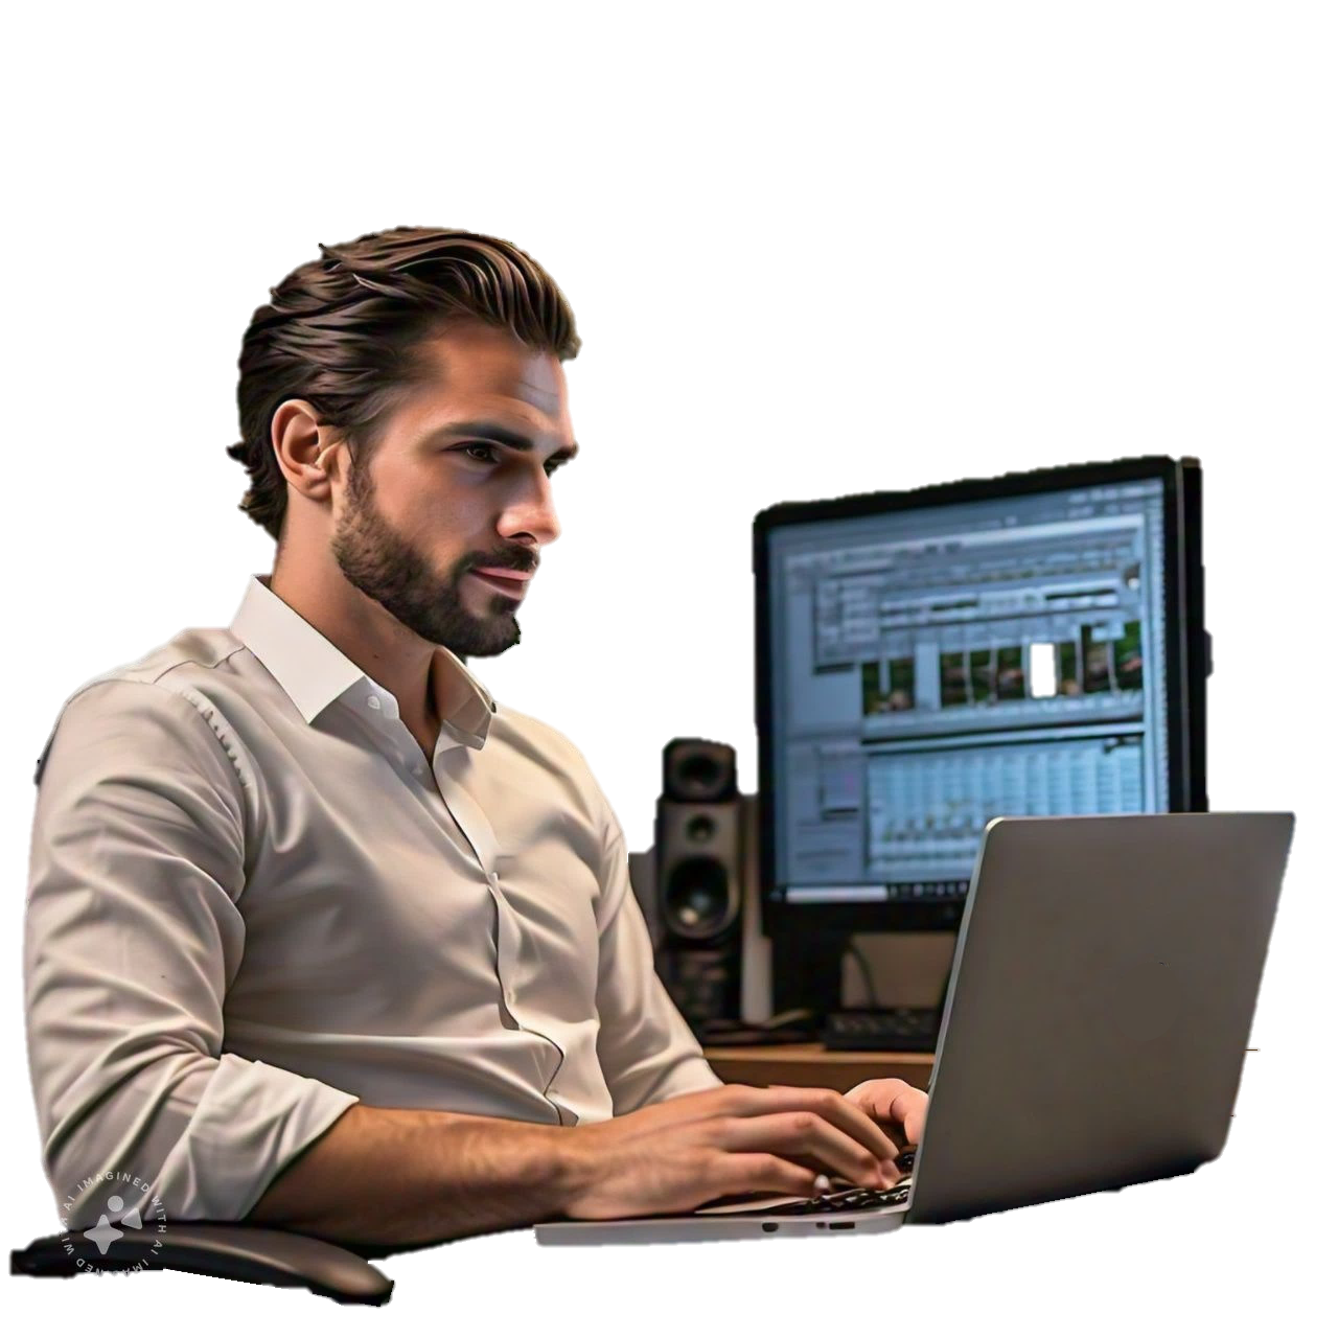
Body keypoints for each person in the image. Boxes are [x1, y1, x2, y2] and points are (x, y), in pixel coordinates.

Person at [22, 226, 926, 1254]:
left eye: (549, 467)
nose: (541, 518)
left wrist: (818, 1136)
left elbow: (654, 1090)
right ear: (311, 452)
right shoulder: (164, 731)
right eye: (482, 455)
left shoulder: (547, 767)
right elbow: (118, 1144)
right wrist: (581, 1164)